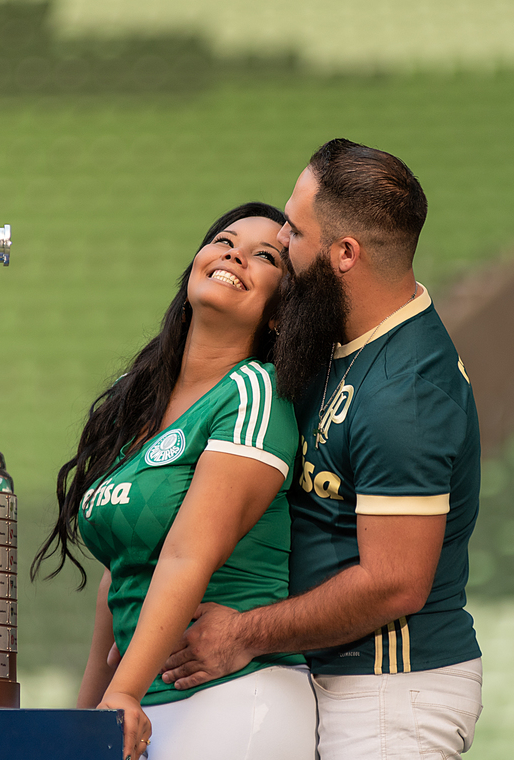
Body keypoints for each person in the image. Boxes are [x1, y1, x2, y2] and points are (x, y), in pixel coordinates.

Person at [160, 140, 484, 759]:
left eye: (295, 228)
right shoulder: (340, 341)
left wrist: (243, 635)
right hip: (327, 679)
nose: (283, 239)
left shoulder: (405, 395)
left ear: (344, 254)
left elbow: (394, 584)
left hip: (391, 694)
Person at [31, 203, 318, 760]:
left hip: (234, 699)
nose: (234, 253)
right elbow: (119, 577)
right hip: (139, 704)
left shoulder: (254, 393)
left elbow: (188, 556)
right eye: (224, 240)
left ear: (282, 312)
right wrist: (89, 715)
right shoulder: (137, 399)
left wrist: (123, 693)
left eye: (266, 256)